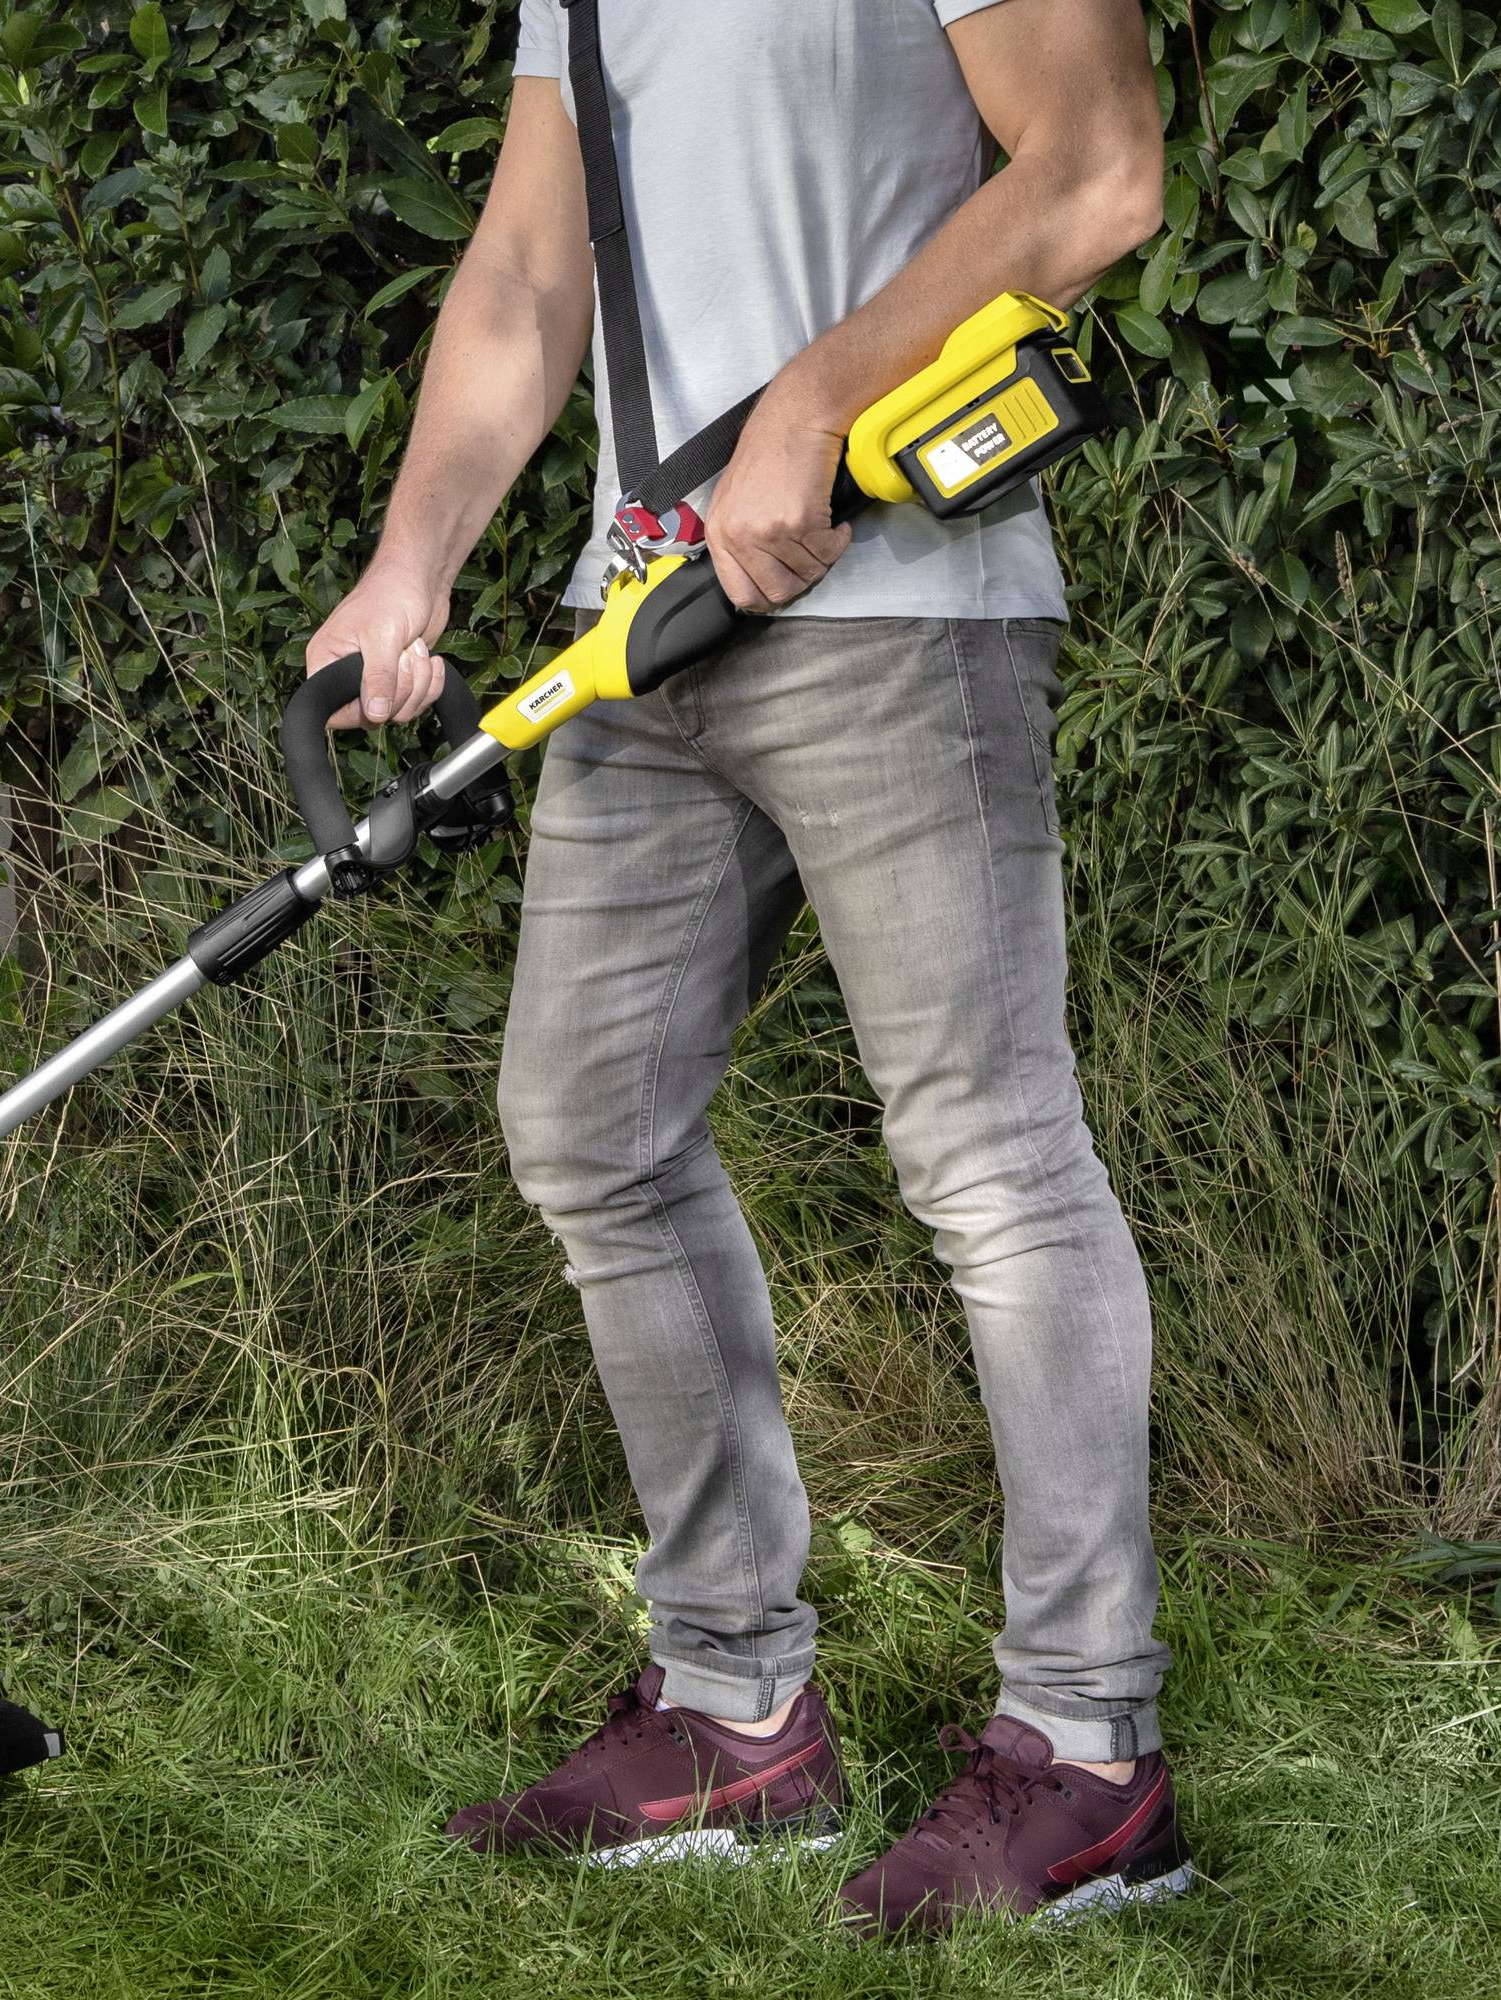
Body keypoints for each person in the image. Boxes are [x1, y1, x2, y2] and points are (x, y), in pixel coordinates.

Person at [303, 0, 1181, 1935]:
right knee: (591, 1129)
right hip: (650, 617)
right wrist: (415, 560)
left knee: (991, 1160)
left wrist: (813, 401)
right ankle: (732, 1708)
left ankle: (1094, 1753)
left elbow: (1103, 163)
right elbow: (536, 268)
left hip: (894, 600)